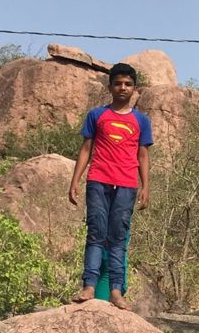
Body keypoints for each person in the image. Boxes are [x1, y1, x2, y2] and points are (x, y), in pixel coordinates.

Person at [68, 62, 153, 311]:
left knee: (117, 239)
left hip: (126, 184)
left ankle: (116, 291)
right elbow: (86, 149)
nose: (122, 88)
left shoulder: (141, 120)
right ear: (110, 87)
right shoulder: (97, 115)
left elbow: (143, 156)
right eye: (118, 83)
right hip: (98, 180)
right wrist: (75, 180)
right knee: (96, 234)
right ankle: (89, 286)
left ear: (134, 88)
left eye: (127, 84)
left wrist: (146, 187)